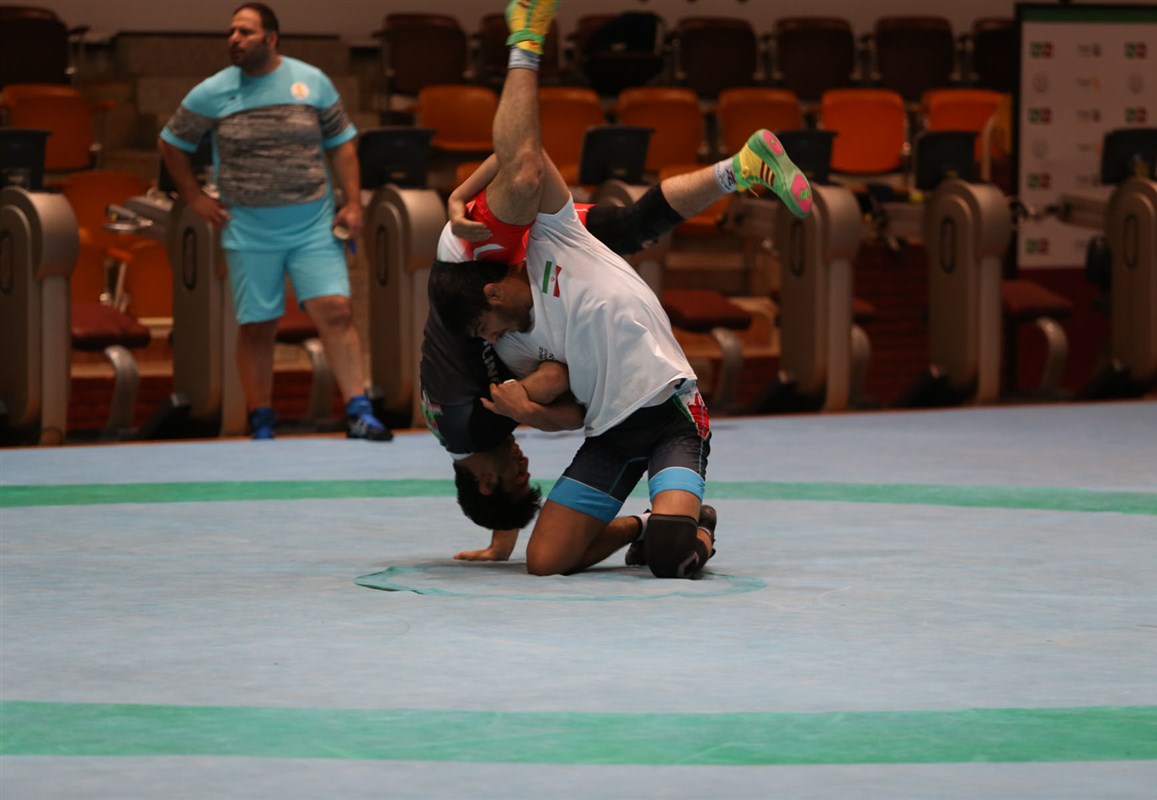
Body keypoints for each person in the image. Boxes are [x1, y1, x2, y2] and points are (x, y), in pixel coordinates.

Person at [424, 0, 812, 578]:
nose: (525, 464)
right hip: (603, 421)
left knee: (528, 171)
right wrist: (528, 409)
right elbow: (549, 393)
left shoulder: (534, 256)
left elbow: (529, 156)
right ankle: (738, 168)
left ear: (494, 302)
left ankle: (525, 41)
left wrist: (459, 196)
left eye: (516, 476)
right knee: (630, 225)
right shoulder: (511, 347)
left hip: (474, 260)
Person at [158, 2, 392, 441]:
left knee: (337, 311)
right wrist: (194, 197)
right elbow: (172, 142)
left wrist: (353, 204)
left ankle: (359, 412)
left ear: (271, 38)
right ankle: (262, 420)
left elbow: (342, 143)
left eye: (245, 32)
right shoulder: (213, 91)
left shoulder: (312, 81)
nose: (234, 39)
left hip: (313, 224)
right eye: (232, 32)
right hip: (248, 228)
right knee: (258, 326)